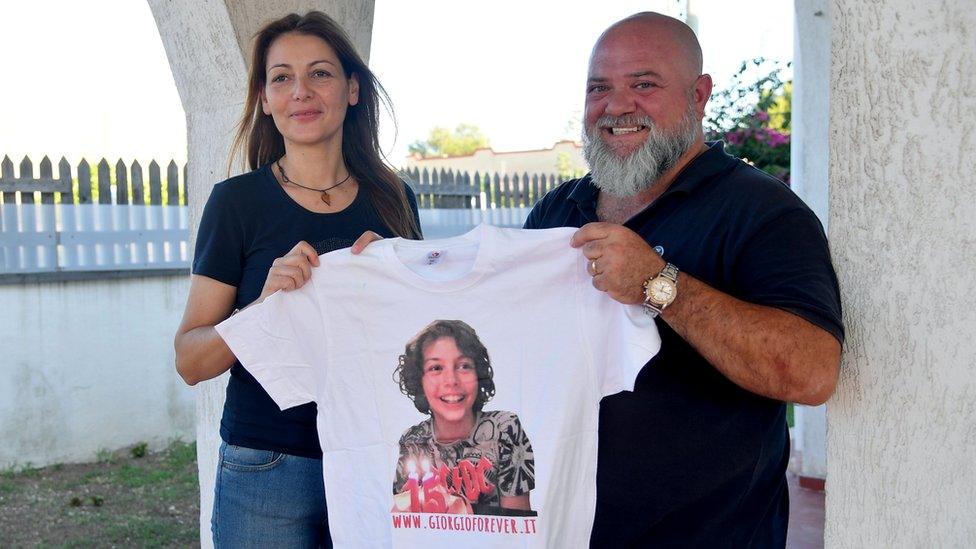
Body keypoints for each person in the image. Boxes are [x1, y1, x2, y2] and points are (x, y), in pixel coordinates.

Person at [523, 12, 844, 547]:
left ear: (699, 96)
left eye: (643, 85)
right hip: (566, 530)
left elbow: (812, 373)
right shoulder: (556, 212)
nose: (617, 106)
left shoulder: (762, 211)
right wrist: (379, 272)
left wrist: (657, 284)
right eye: (599, 88)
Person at [173, 11, 421, 548]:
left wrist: (394, 288)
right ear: (265, 99)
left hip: (374, 456)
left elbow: (420, 345)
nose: (301, 92)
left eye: (320, 74)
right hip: (267, 464)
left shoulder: (395, 201)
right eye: (281, 77)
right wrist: (263, 307)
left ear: (352, 89)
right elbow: (190, 361)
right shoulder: (237, 204)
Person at [391, 320, 535, 516]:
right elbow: (407, 525)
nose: (451, 381)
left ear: (479, 374)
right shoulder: (412, 441)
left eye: (464, 366)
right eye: (436, 368)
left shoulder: (504, 428)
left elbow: (518, 529)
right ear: (419, 380)